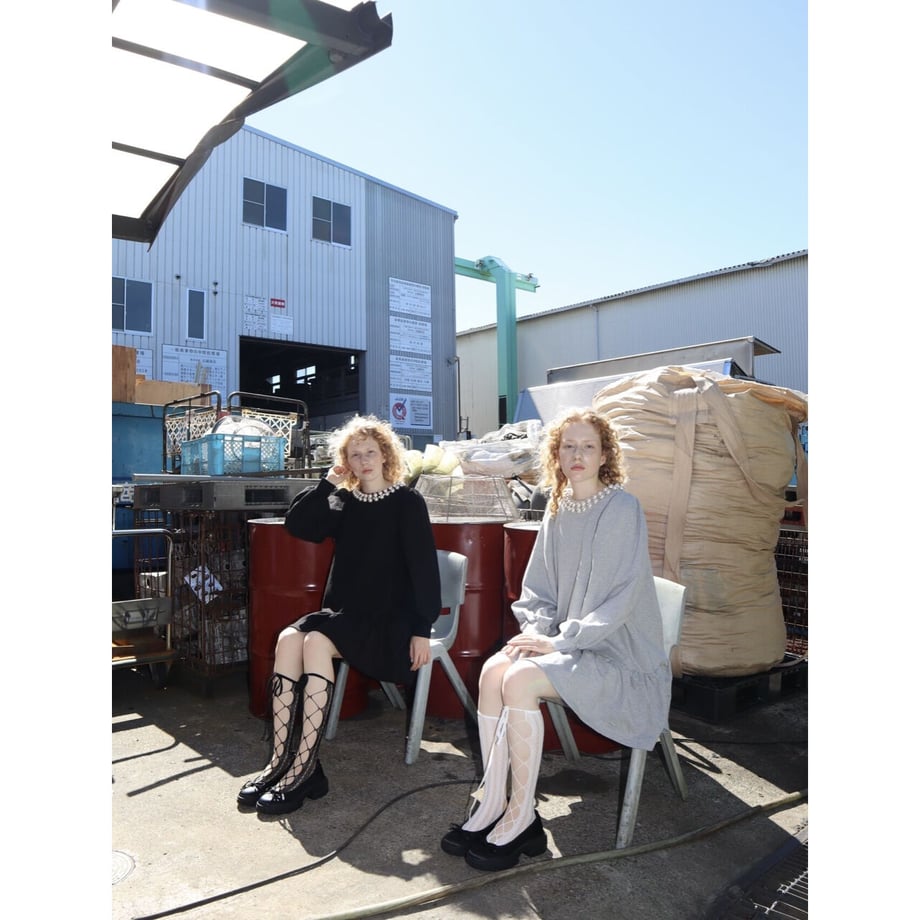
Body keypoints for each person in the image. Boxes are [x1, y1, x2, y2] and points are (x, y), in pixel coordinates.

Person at [440, 407, 671, 871]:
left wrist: (560, 641)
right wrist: (537, 633)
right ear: (556, 455)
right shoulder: (558, 507)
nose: (577, 455)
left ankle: (522, 817)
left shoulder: (622, 508)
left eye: (588, 446)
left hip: (620, 654)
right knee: (493, 671)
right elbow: (537, 591)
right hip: (571, 643)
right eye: (568, 446)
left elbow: (622, 599)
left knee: (519, 679)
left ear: (604, 455)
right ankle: (495, 800)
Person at [237, 415, 441, 815]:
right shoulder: (344, 501)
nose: (364, 461)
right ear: (346, 460)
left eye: (371, 453)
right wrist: (329, 483)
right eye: (355, 455)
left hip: (388, 619)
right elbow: (299, 525)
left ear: (386, 456)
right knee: (288, 639)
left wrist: (422, 628)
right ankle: (280, 761)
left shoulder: (407, 502)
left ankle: (304, 767)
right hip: (346, 612)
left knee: (315, 642)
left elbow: (424, 570)